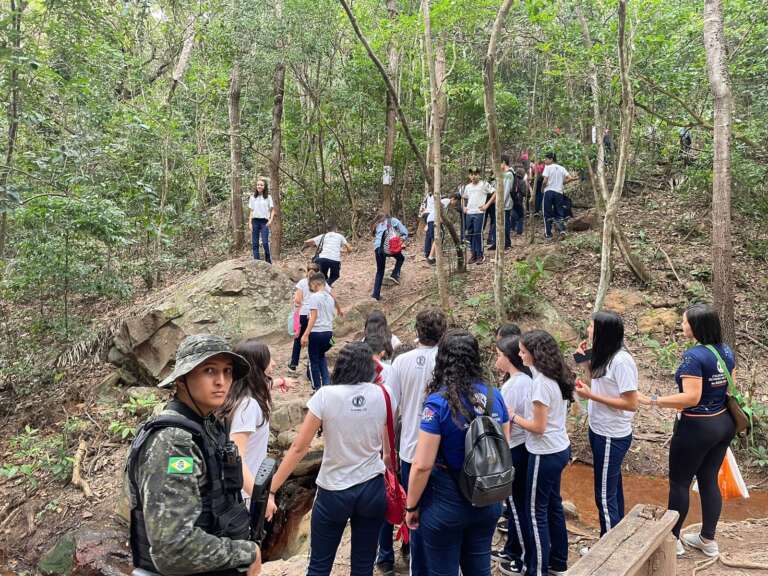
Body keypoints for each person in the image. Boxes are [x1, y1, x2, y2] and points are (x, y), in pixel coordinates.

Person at [125, 334, 262, 576]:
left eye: (227, 371)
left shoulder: (207, 425)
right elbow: (173, 549)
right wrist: (246, 553)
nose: (222, 381)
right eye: (209, 371)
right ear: (181, 380)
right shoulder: (174, 443)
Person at [266, 342, 394, 576]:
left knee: (319, 567)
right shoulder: (383, 394)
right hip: (372, 488)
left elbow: (299, 448)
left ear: (341, 366)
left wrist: (272, 489)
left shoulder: (325, 396)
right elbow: (386, 448)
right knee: (364, 566)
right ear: (368, 367)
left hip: (334, 490)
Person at [404, 330, 509, 575]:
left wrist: (411, 507)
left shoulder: (437, 404)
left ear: (442, 360)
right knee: (479, 568)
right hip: (486, 499)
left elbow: (422, 464)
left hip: (445, 502)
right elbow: (503, 448)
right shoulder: (496, 397)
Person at [638, 304, 736, 558]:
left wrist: (653, 400)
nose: (682, 326)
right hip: (723, 423)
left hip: (697, 428)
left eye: (684, 322)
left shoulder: (694, 356)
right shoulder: (725, 351)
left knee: (679, 483)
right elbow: (730, 387)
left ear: (696, 327)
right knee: (708, 479)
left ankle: (673, 540)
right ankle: (708, 540)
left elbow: (691, 397)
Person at [376, 309, 446, 576]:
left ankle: (406, 558)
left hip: (408, 448)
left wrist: (386, 450)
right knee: (433, 508)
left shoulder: (400, 362)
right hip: (441, 449)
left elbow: (389, 411)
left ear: (417, 331)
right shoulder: (447, 359)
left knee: (407, 504)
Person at [509, 330, 574, 576]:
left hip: (544, 452)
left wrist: (513, 416)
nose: (519, 354)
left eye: (523, 351)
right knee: (553, 505)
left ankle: (536, 570)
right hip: (559, 448)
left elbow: (538, 427)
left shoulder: (540, 385)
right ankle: (558, 562)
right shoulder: (556, 375)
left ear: (535, 355)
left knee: (535, 512)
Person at [573, 311, 638, 536]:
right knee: (612, 488)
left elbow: (631, 403)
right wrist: (583, 359)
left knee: (603, 494)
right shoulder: (605, 354)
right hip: (598, 429)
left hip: (612, 435)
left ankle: (608, 546)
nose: (588, 330)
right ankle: (617, 536)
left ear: (603, 331)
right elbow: (596, 380)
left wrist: (592, 396)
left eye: (591, 326)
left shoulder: (622, 361)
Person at [219, 339, 292, 504]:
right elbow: (236, 458)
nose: (273, 363)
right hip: (244, 494)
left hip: (241, 490)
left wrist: (281, 381)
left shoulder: (235, 391)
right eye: (269, 359)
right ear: (258, 365)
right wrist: (261, 498)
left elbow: (263, 385)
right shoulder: (249, 406)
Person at [492, 336, 534, 576]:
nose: (496, 358)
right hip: (524, 446)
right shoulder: (526, 380)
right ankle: (512, 549)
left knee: (517, 507)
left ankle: (519, 555)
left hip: (515, 448)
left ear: (508, 359)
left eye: (498, 355)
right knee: (520, 504)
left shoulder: (513, 386)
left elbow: (503, 421)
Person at [289, 263, 339, 372]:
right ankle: (311, 367)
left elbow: (297, 300)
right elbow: (333, 296)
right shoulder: (323, 284)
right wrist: (339, 309)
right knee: (314, 342)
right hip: (317, 316)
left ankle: (293, 364)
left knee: (298, 339)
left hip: (303, 314)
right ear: (319, 272)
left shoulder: (302, 282)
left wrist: (298, 307)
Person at [301, 272, 339, 389]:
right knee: (321, 356)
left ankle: (316, 387)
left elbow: (313, 317)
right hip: (329, 334)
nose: (310, 288)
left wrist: (305, 334)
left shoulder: (314, 297)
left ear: (315, 283)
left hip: (316, 333)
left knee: (313, 362)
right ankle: (326, 384)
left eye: (310, 285)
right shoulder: (330, 298)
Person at [371, 213, 409, 301]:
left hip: (377, 248)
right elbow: (405, 232)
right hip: (388, 247)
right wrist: (401, 241)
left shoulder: (378, 224)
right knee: (401, 258)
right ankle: (395, 274)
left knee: (380, 271)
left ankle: (375, 295)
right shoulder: (393, 220)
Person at [541, 152, 577, 241]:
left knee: (547, 213)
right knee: (559, 212)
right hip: (559, 193)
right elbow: (570, 178)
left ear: (551, 159)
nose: (545, 161)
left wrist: (542, 188)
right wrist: (562, 183)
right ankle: (562, 230)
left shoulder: (548, 167)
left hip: (549, 191)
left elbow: (545, 180)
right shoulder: (562, 168)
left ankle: (548, 234)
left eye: (546, 159)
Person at [462, 167, 493, 264]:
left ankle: (480, 255)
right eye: (471, 174)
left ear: (479, 175)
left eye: (475, 174)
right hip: (469, 213)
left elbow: (494, 192)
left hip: (479, 213)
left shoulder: (484, 184)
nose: (473, 176)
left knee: (477, 233)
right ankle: (473, 254)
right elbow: (463, 197)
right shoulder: (467, 187)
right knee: (470, 233)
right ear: (469, 176)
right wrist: (464, 207)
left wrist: (486, 205)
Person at [248, 178, 275, 263]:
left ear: (264, 187)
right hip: (255, 221)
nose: (259, 186)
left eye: (261, 185)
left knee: (265, 242)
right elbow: (251, 211)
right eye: (258, 185)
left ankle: (268, 261)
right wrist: (249, 223)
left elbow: (273, 210)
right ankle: (256, 261)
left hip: (264, 222)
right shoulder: (253, 197)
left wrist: (270, 220)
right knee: (255, 243)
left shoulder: (268, 197)